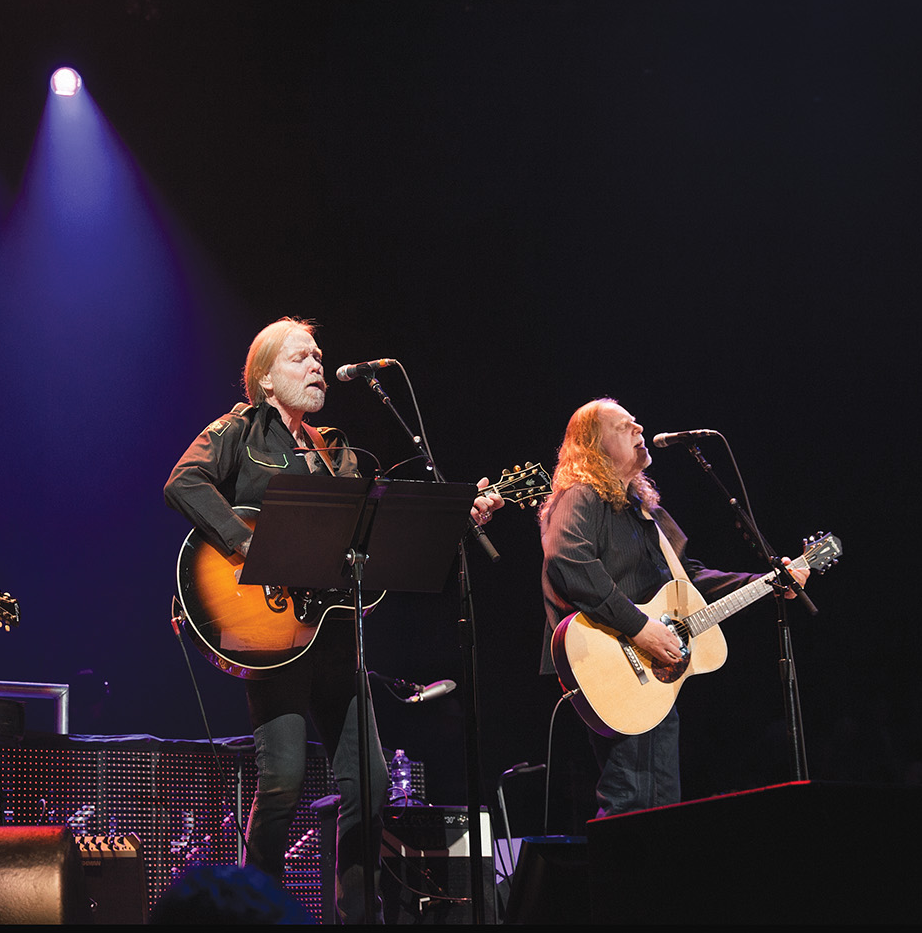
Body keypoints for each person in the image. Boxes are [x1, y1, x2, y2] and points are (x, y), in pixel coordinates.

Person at [164, 317, 501, 922]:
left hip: (336, 634)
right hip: (269, 631)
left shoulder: (335, 448)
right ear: (265, 380)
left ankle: (359, 916)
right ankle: (253, 910)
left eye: (319, 356)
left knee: (369, 788)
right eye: (300, 358)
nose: (317, 365)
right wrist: (250, 547)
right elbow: (183, 483)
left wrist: (456, 516)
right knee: (284, 784)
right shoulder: (237, 433)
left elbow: (375, 526)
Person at [538, 398, 808, 817]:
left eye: (636, 423)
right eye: (624, 426)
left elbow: (688, 579)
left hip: (653, 668)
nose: (639, 428)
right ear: (592, 445)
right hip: (612, 659)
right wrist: (640, 627)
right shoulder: (581, 495)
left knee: (660, 802)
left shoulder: (648, 512)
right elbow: (567, 561)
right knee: (629, 795)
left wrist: (767, 583)